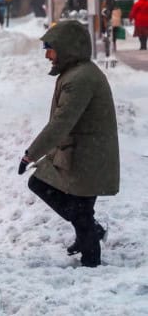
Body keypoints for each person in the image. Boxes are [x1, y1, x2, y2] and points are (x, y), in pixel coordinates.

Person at [17, 20, 120, 268]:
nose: (47, 56)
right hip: (80, 153)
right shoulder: (76, 73)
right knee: (44, 185)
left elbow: (61, 123)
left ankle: (91, 261)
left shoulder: (80, 79)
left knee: (81, 210)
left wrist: (31, 154)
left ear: (66, 48)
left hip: (88, 156)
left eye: (50, 49)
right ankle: (89, 234)